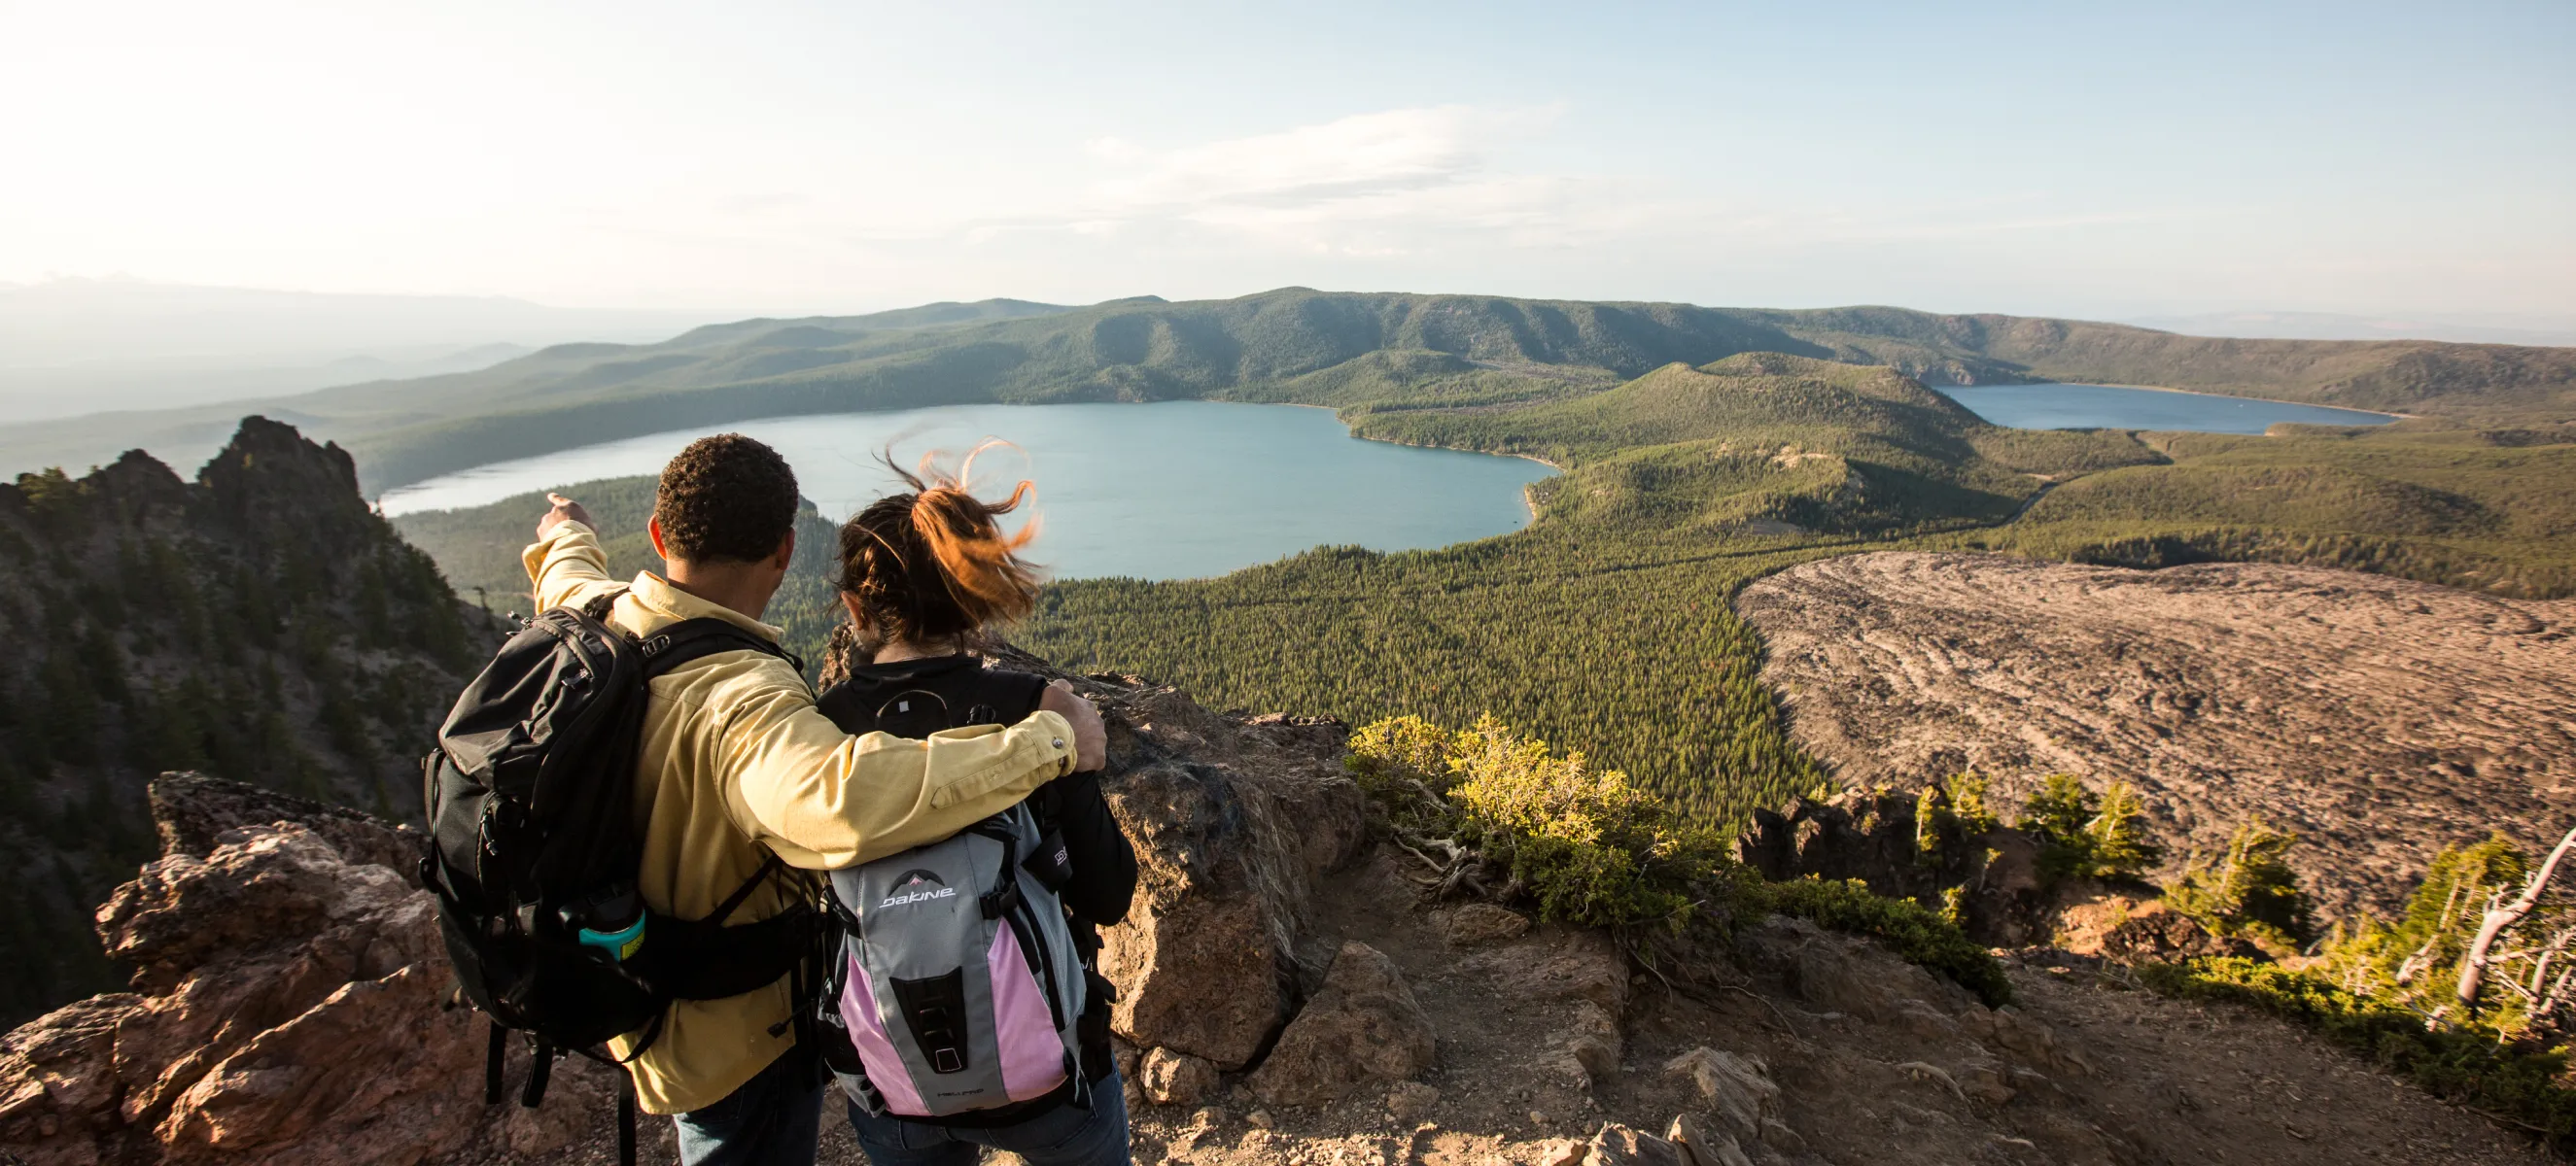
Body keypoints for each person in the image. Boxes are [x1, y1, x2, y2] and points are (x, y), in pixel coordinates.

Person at [523, 432, 1108, 1166]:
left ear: (656, 535)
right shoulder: (743, 699)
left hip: (636, 991)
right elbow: (843, 803)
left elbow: (567, 582)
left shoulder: (598, 624)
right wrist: (1049, 741)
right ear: (783, 552)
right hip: (736, 1040)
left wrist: (566, 534)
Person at [813, 448, 1137, 1166]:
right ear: (970, 597)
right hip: (1049, 1074)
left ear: (855, 609)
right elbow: (1108, 893)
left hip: (896, 1082)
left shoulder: (821, 730)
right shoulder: (1036, 715)